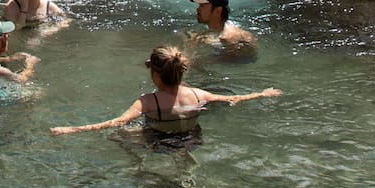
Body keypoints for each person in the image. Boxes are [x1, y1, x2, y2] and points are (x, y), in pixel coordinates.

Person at [50, 45, 281, 140]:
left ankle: (139, 167)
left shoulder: (148, 101)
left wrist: (72, 129)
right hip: (192, 138)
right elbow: (232, 99)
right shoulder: (198, 94)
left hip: (159, 141)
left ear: (156, 75)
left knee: (117, 136)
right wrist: (262, 93)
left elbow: (116, 122)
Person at [188, 0, 258, 57]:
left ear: (218, 11)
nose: (198, 9)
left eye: (202, 5)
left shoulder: (228, 39)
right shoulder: (220, 30)